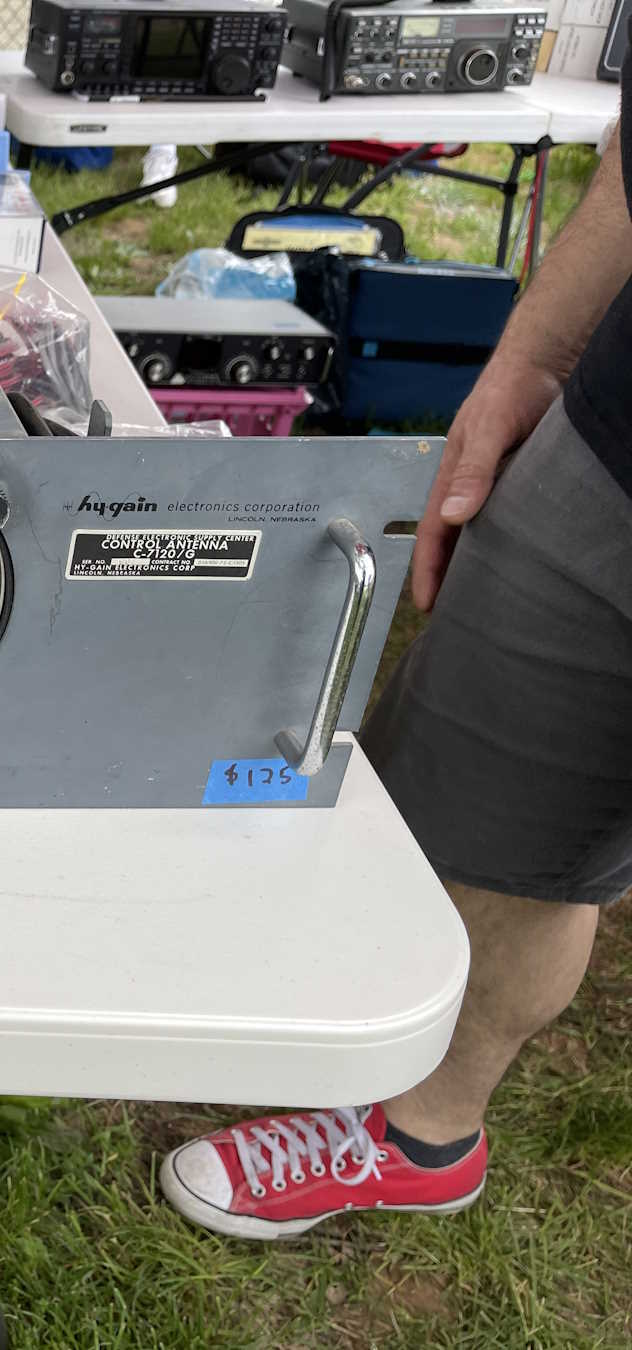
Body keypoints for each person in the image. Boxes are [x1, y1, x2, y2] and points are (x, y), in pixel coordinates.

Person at [160, 91, 632, 1239]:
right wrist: (534, 358)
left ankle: (418, 1125)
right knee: (485, 828)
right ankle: (421, 1132)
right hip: (614, 443)